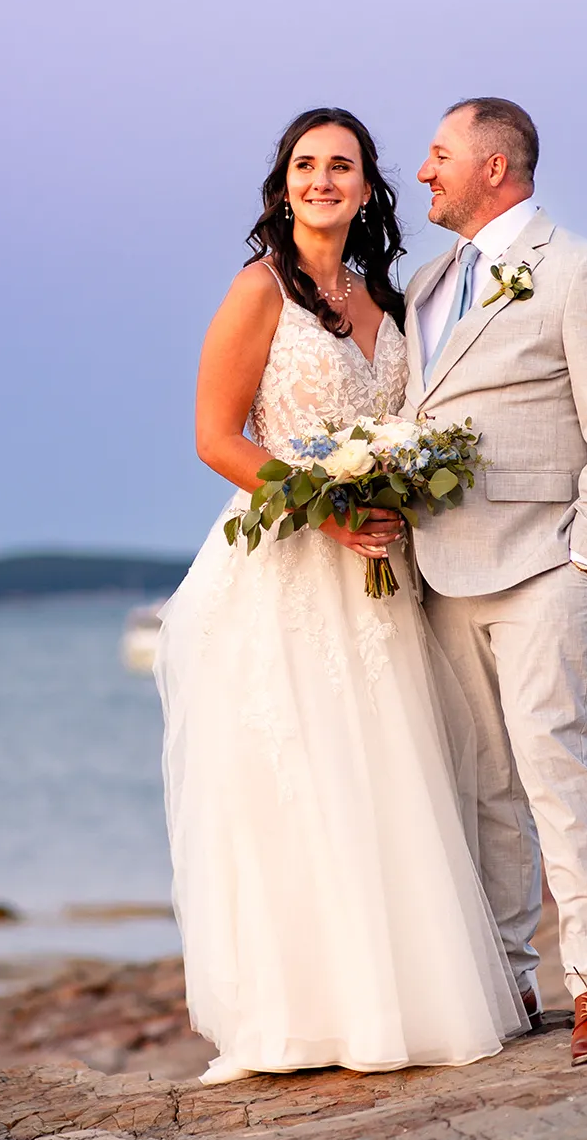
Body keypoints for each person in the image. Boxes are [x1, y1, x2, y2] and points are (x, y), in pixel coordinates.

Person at [155, 107, 526, 1084]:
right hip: (287, 571)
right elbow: (215, 436)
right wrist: (324, 510)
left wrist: (395, 488)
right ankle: (305, 1016)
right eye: (306, 165)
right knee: (303, 782)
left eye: (343, 166)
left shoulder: (383, 299)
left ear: (367, 190)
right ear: (283, 187)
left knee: (389, 776)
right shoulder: (257, 291)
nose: (323, 180)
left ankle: (403, 1004)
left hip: (380, 575)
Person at [403, 98, 587, 1066]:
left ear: (495, 167)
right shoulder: (428, 284)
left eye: (438, 155)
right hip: (437, 566)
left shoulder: (579, 269)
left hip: (544, 560)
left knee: (553, 772)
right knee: (485, 787)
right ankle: (508, 979)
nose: (422, 172)